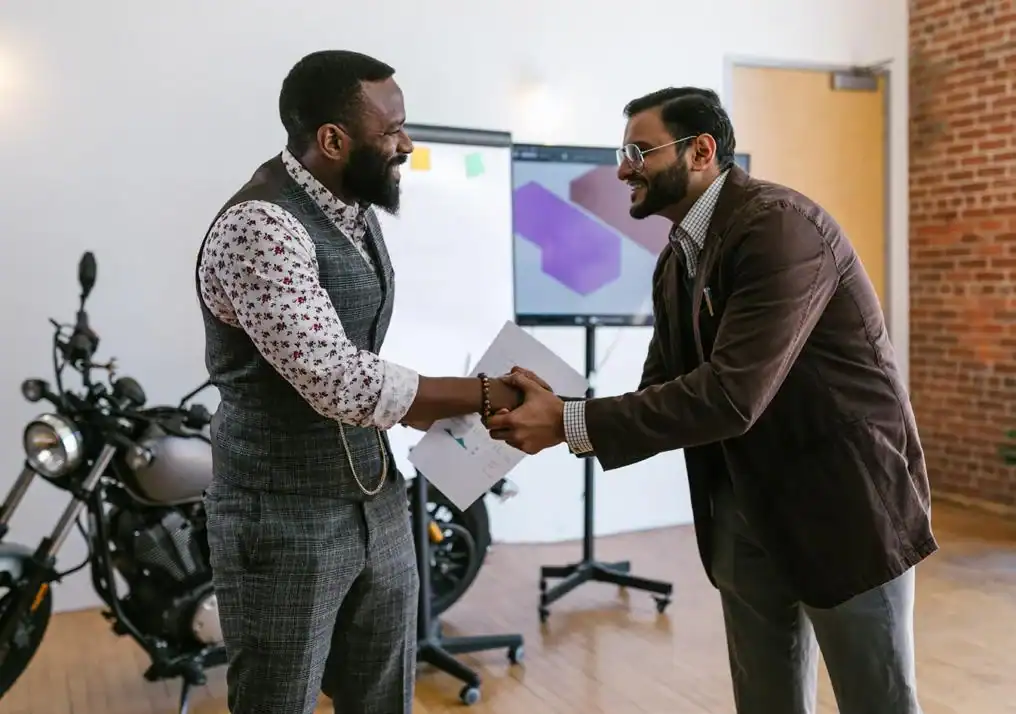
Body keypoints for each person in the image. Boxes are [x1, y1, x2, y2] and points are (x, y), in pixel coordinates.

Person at [488, 87, 933, 714]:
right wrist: (556, 406)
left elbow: (729, 394)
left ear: (701, 151)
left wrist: (567, 421)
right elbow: (659, 396)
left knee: (878, 702)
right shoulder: (676, 259)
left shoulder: (780, 226)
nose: (621, 169)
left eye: (638, 151)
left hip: (844, 509)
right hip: (744, 512)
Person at [195, 50, 522, 714]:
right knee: (276, 701)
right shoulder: (259, 226)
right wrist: (486, 394)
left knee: (382, 697)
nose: (406, 143)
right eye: (392, 130)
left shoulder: (355, 210)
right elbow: (340, 382)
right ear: (334, 141)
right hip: (281, 515)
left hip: (376, 497)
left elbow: (359, 350)